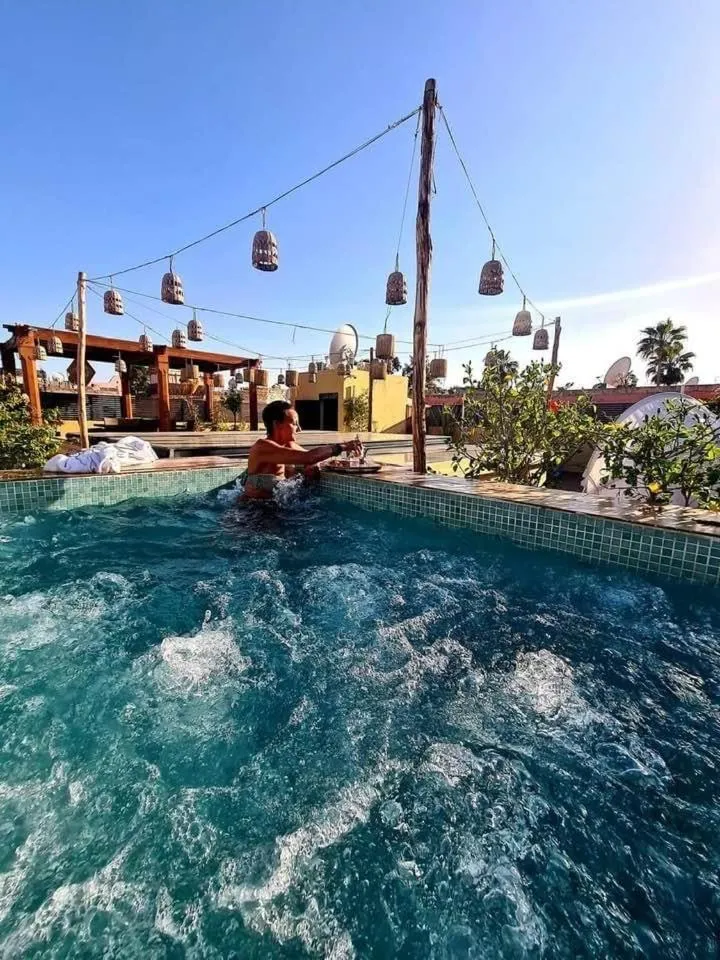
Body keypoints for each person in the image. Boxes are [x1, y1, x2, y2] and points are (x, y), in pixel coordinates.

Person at [243, 400, 362, 500]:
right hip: (253, 512)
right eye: (295, 423)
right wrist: (342, 447)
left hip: (277, 510)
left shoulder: (288, 445)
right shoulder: (262, 448)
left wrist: (343, 460)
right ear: (277, 424)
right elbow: (309, 457)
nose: (299, 429)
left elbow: (314, 458)